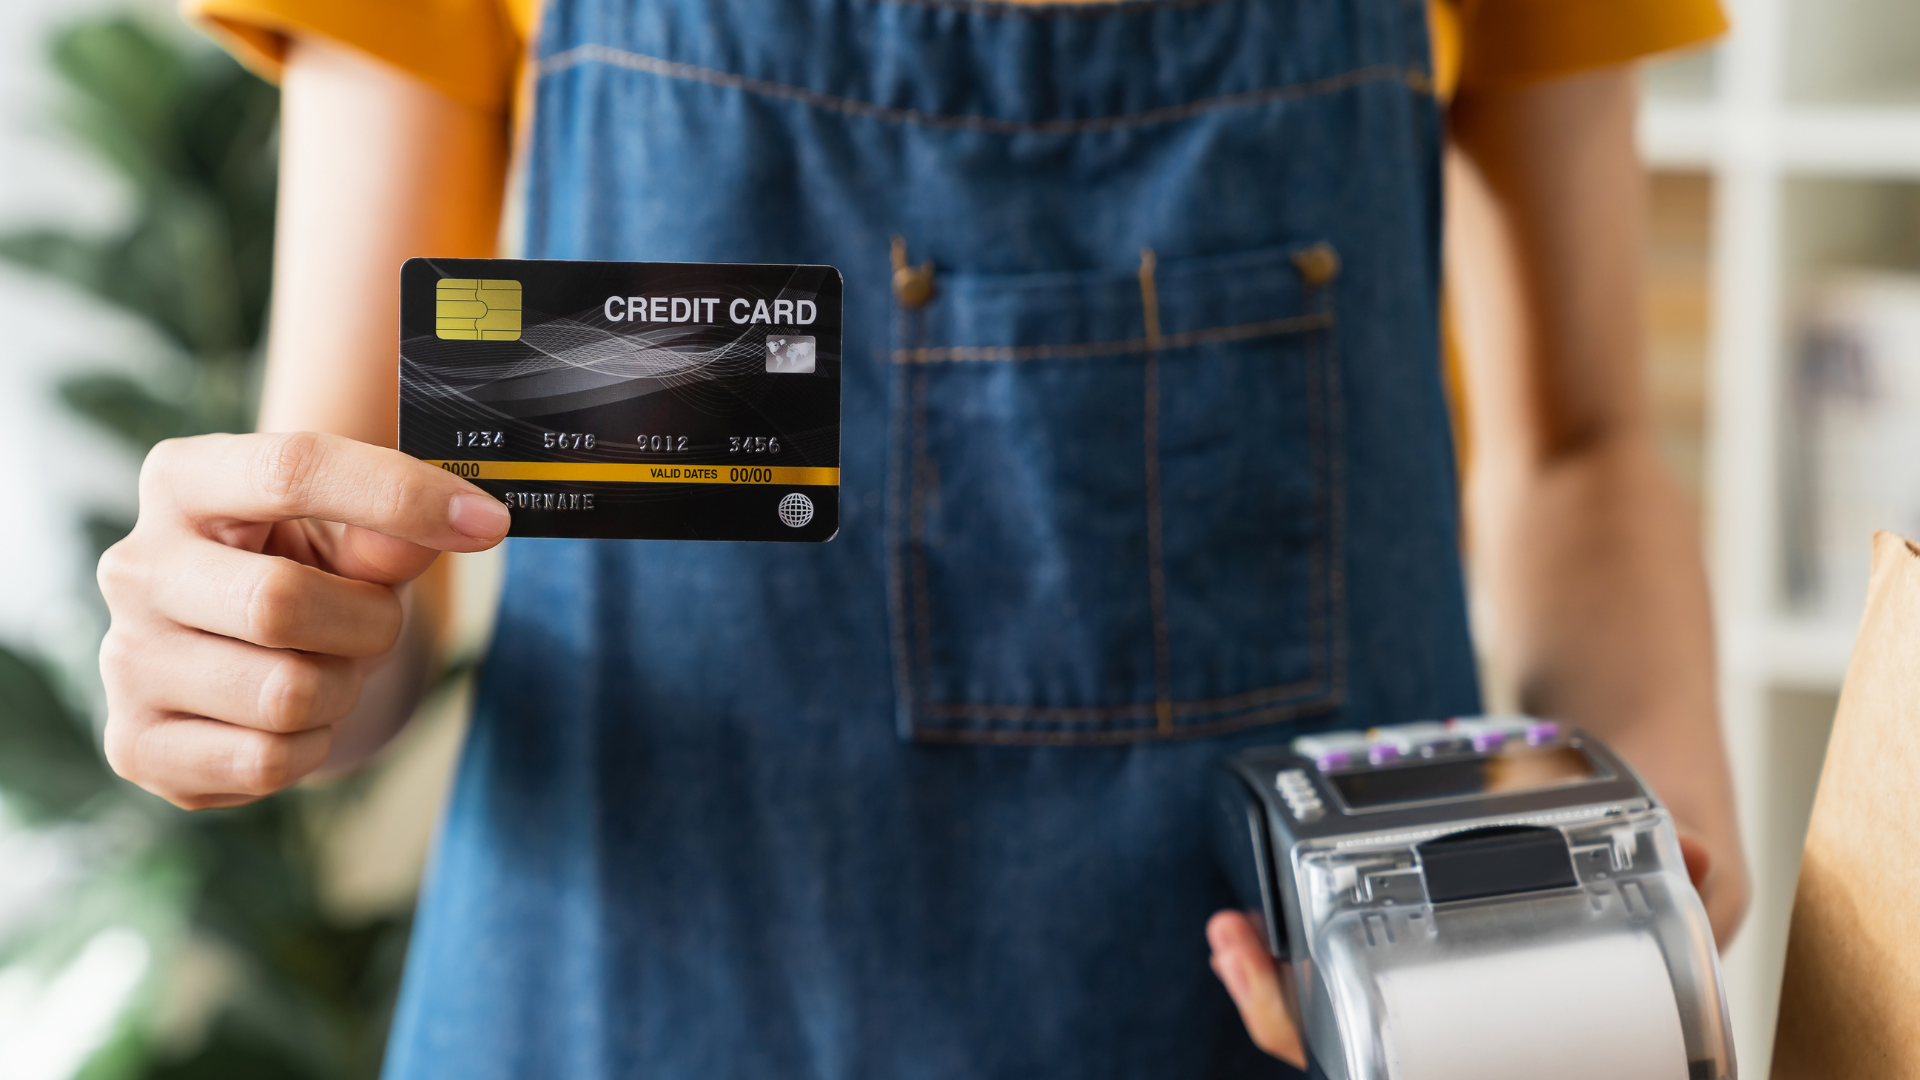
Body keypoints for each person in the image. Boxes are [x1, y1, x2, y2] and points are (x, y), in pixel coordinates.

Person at [98, 0, 1744, 1074]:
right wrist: (263, 653)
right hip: (619, 1014)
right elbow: (358, 521)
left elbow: (1582, 447)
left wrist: (1639, 853)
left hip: (1287, 1025)